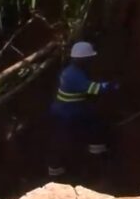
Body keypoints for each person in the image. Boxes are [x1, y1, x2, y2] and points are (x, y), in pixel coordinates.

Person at [48, 41, 118, 177]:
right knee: (94, 126)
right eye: (89, 58)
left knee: (64, 138)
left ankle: (59, 167)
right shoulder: (74, 75)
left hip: (64, 110)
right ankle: (95, 158)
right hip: (68, 113)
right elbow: (94, 89)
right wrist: (112, 85)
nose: (91, 60)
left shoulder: (70, 70)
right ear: (83, 59)